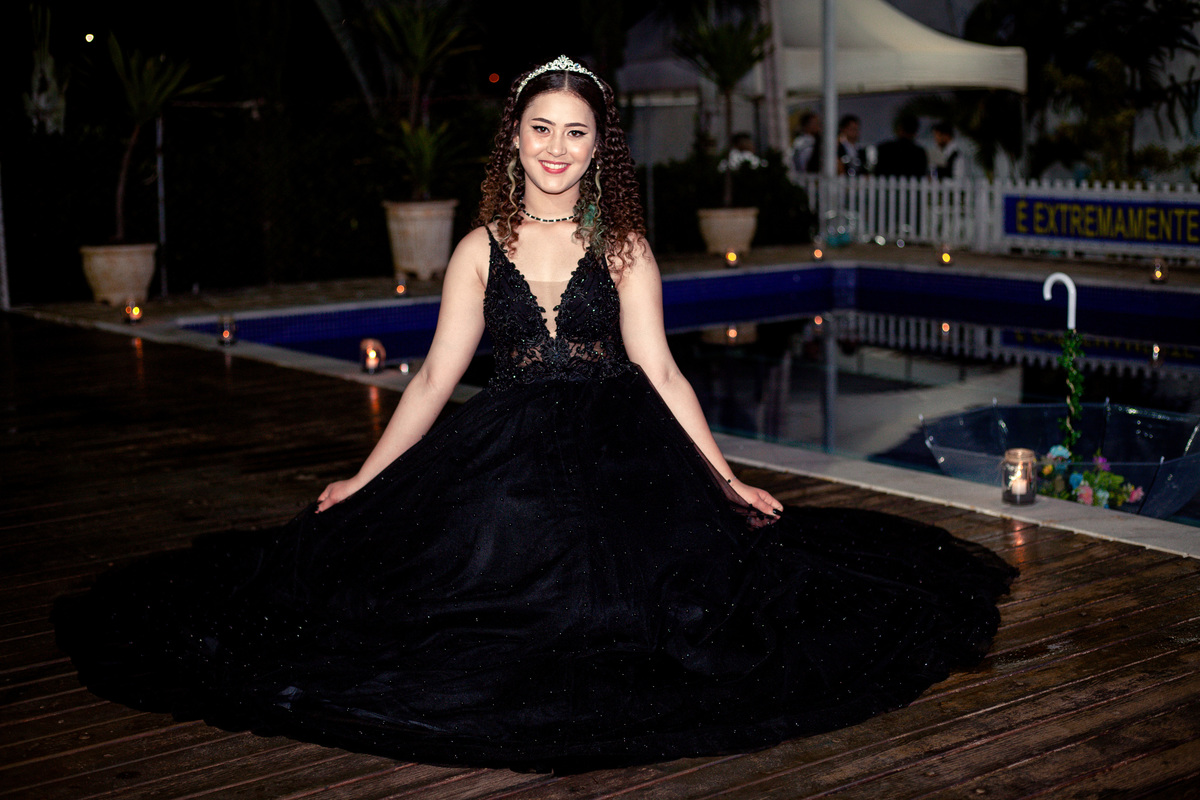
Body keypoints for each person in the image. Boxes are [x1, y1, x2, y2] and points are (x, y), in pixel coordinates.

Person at [54, 56, 1014, 773]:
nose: (557, 148)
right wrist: (364, 480)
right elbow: (433, 380)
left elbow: (663, 371)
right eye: (542, 128)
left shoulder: (625, 245)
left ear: (600, 148)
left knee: (660, 599)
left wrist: (725, 482)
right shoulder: (478, 249)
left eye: (576, 132)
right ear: (514, 136)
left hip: (623, 452)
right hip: (504, 454)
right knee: (458, 589)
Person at [874, 112, 928, 178]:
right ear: (915, 132)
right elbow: (921, 175)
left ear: (899, 128)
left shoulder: (884, 148)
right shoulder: (919, 153)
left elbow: (876, 172)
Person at [789, 109, 822, 178]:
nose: (818, 126)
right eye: (815, 123)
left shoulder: (816, 139)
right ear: (806, 125)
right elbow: (801, 162)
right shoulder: (801, 142)